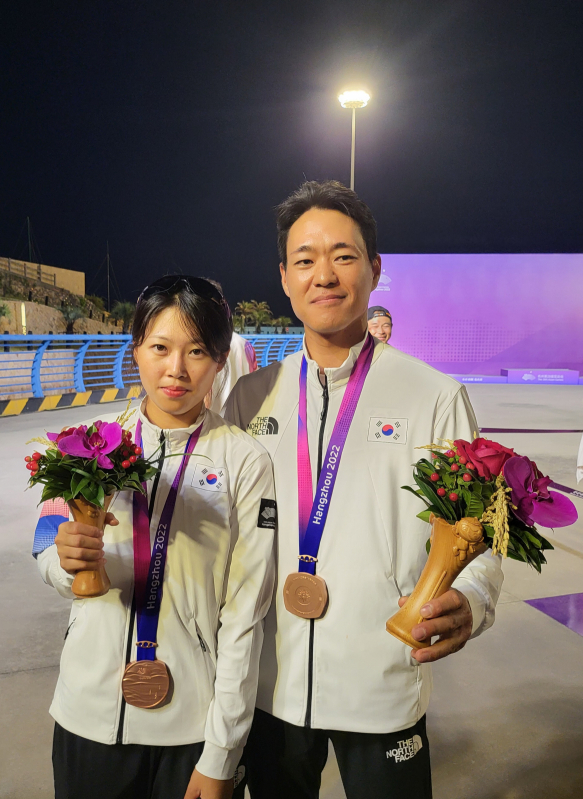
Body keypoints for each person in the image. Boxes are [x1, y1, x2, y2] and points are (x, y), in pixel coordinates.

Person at [224, 181, 503, 799]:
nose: (324, 274)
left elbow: (479, 536)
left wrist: (473, 604)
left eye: (344, 255)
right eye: (305, 260)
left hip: (383, 688)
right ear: (285, 278)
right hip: (268, 686)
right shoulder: (249, 397)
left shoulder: (434, 397)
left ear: (375, 269)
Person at [32, 275, 276, 799]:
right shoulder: (85, 443)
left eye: (197, 352)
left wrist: (222, 754)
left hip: (191, 728)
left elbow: (244, 617)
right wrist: (63, 562)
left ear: (218, 360)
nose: (177, 369)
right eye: (160, 347)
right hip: (88, 715)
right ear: (136, 347)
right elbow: (45, 544)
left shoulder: (243, 460)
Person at [204, 280, 258, 414]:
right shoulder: (245, 345)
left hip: (212, 427)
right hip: (241, 422)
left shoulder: (204, 344)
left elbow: (204, 401)